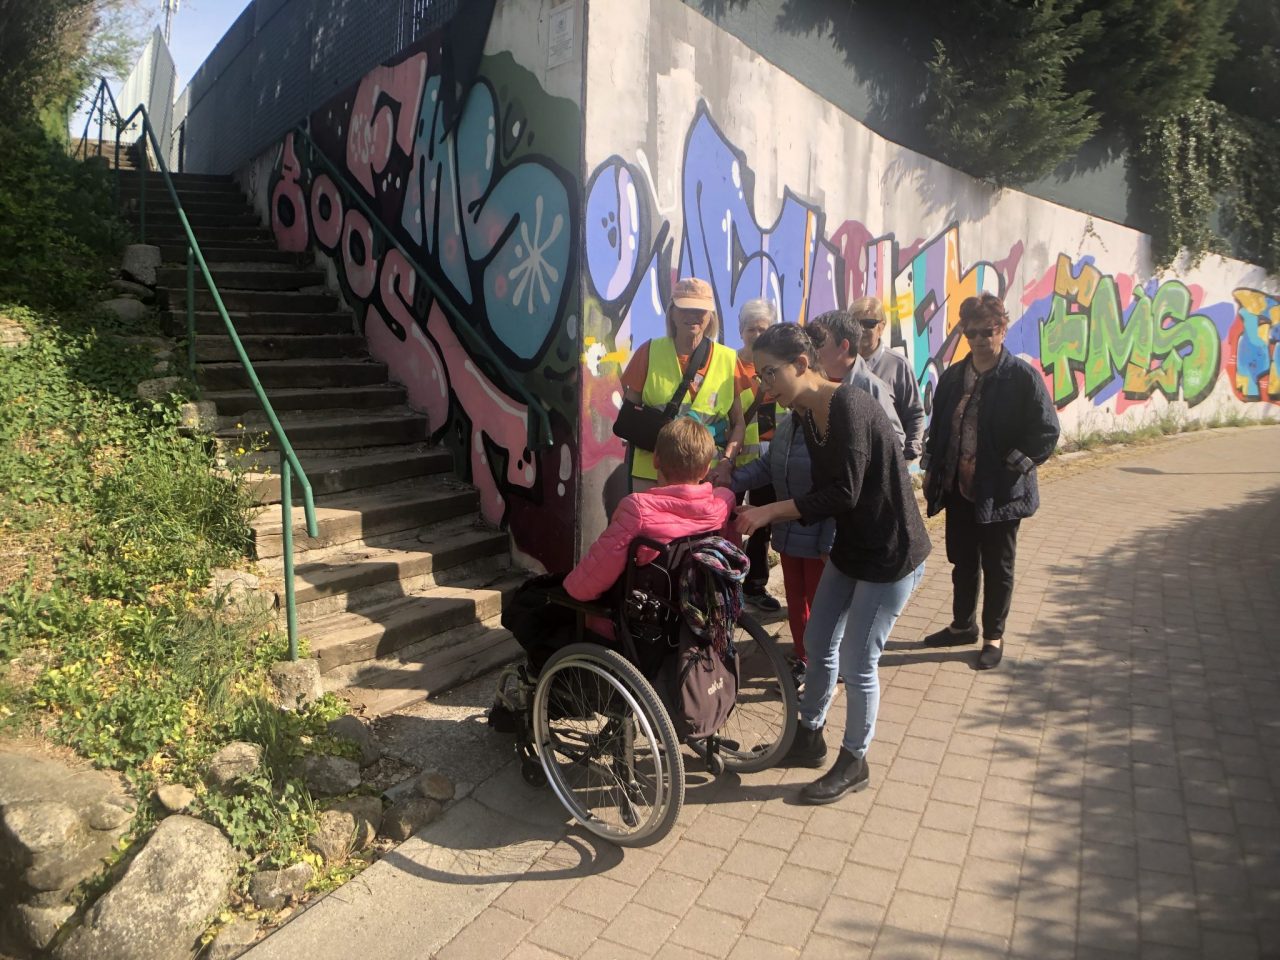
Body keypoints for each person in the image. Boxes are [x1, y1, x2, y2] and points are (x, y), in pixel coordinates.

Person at [736, 324, 930, 805]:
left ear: (802, 364)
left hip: (891, 553)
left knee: (858, 661)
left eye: (770, 373)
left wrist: (768, 513)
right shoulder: (802, 412)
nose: (765, 385)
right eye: (760, 375)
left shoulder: (849, 405)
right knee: (820, 641)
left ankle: (854, 761)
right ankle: (809, 737)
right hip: (851, 546)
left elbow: (844, 491)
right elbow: (803, 479)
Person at [921, 293, 1059, 670]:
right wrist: (932, 468)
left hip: (999, 494)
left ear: (1003, 329)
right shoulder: (954, 375)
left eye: (988, 331)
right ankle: (962, 625)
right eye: (972, 332)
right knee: (962, 562)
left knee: (998, 567)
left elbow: (1046, 431)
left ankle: (992, 636)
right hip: (959, 489)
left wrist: (1010, 468)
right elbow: (938, 429)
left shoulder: (1021, 377)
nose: (980, 339)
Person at [564, 417, 737, 609]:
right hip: (696, 607)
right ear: (705, 470)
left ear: (655, 459)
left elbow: (598, 570)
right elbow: (725, 496)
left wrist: (571, 589)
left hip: (645, 616)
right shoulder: (720, 506)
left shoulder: (638, 510)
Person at [724, 407, 834, 689]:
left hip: (817, 537)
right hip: (788, 534)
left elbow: (837, 491)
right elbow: (767, 467)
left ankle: (823, 667)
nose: (769, 388)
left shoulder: (828, 427)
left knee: (821, 606)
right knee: (796, 602)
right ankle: (804, 658)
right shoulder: (787, 425)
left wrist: (828, 541)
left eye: (772, 375)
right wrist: (727, 479)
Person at [619, 277, 748, 494]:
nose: (693, 316)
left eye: (700, 310)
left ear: (710, 316)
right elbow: (629, 419)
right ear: (672, 312)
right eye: (685, 309)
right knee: (652, 528)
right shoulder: (648, 351)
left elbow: (738, 425)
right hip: (651, 474)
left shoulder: (728, 359)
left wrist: (726, 462)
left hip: (706, 474)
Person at [726, 298, 782, 613]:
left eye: (763, 328)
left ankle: (756, 586)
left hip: (767, 460)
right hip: (735, 460)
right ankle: (727, 582)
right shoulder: (730, 364)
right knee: (729, 522)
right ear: (741, 331)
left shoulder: (776, 366)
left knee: (761, 526)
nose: (757, 334)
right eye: (751, 328)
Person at [806, 310, 906, 452]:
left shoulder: (870, 387)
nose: (814, 349)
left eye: (821, 342)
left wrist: (860, 462)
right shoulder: (813, 382)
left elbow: (895, 440)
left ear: (844, 346)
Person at [849, 296, 926, 460]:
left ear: (881, 327)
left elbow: (915, 414)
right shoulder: (841, 363)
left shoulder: (898, 366)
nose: (861, 329)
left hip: (887, 461)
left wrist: (907, 457)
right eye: (856, 323)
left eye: (869, 324)